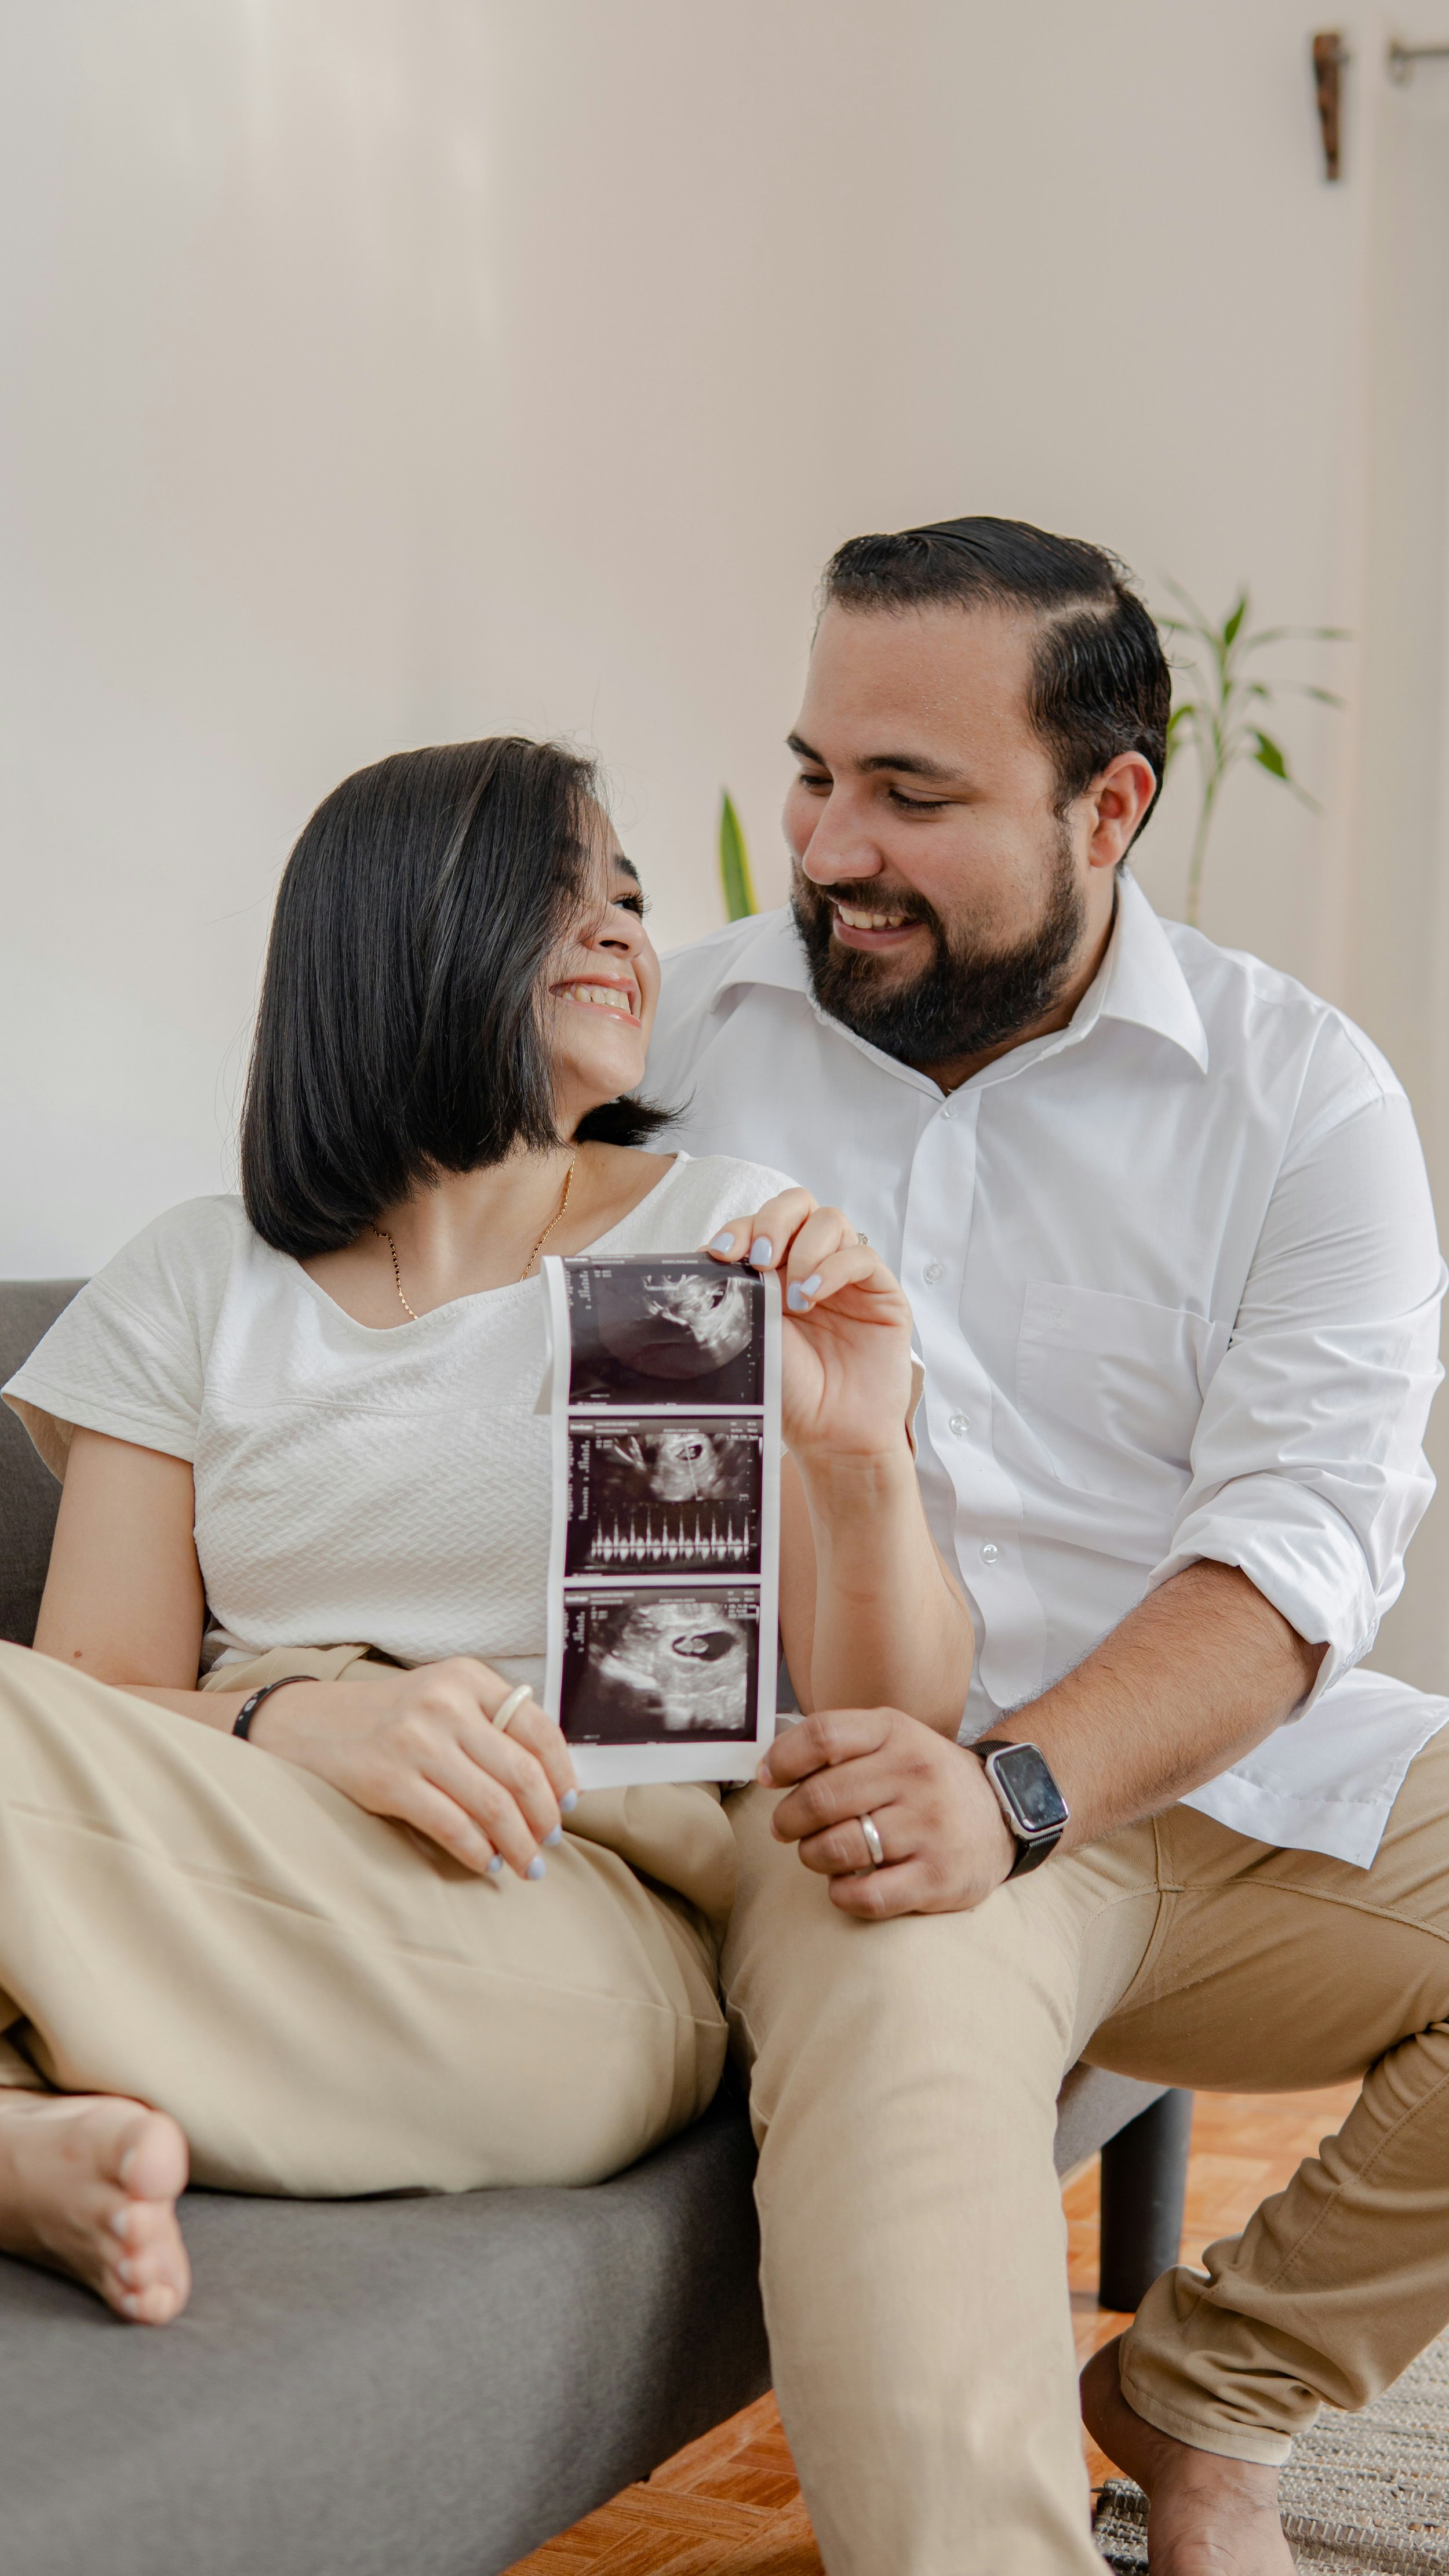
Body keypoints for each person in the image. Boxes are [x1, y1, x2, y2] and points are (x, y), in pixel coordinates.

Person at [646, 518, 1449, 2576]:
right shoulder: (663, 1052)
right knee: (932, 2433)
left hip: (1180, 1786)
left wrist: (1021, 1785)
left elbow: (1297, 1548)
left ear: (1111, 804)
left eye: (911, 794)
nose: (828, 846)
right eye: (816, 770)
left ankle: (1207, 2397)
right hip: (855, 1811)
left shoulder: (1302, 1104)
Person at [0, 735, 970, 2331]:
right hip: (225, 1830)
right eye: (559, 889)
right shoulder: (194, 1277)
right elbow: (86, 1710)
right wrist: (303, 1718)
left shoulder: (690, 1245)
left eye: (632, 897)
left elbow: (893, 1720)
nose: (621, 932)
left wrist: (857, 1452)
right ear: (392, 930)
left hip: (563, 1897)